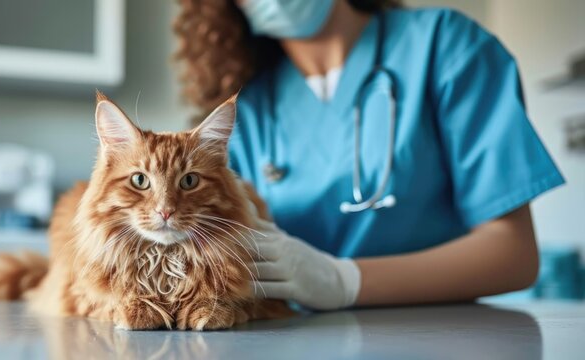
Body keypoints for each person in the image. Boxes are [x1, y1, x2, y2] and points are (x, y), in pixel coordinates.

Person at [174, 0, 565, 310]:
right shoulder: (247, 108)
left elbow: (513, 254)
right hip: (296, 339)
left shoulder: (445, 45)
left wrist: (345, 280)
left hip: (442, 334)